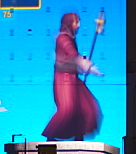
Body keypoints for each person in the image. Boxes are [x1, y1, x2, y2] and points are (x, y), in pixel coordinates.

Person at [42, 12, 103, 141]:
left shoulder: (70, 39)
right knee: (67, 110)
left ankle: (78, 137)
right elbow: (72, 55)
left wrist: (88, 67)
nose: (79, 25)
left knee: (86, 107)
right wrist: (86, 66)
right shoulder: (63, 39)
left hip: (73, 79)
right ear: (69, 23)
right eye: (77, 22)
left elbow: (75, 58)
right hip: (63, 80)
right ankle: (50, 137)